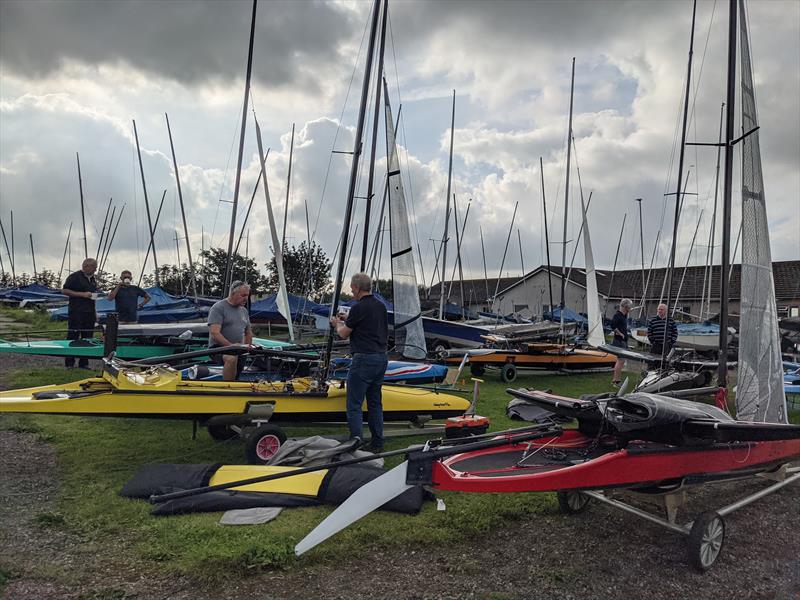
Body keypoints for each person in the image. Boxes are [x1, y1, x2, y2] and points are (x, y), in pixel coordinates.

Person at [330, 272, 388, 453]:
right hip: (381, 358)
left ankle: (356, 442)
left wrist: (336, 324)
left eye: (352, 288)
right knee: (375, 403)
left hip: (364, 359)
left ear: (356, 288)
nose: (351, 291)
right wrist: (348, 320)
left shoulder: (358, 307)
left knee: (354, 404)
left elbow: (343, 334)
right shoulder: (380, 306)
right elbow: (367, 325)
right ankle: (377, 442)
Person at [207, 280, 254, 381]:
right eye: (243, 295)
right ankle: (228, 387)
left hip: (238, 348)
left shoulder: (244, 311)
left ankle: (236, 383)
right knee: (231, 358)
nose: (246, 298)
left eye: (247, 295)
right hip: (218, 348)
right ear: (233, 293)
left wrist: (248, 348)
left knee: (240, 359)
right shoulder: (218, 308)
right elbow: (215, 333)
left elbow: (248, 333)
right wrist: (230, 346)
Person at [61, 257, 99, 369]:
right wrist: (82, 294)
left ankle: (84, 363)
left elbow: (93, 296)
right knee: (73, 335)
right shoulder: (75, 277)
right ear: (86, 266)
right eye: (94, 268)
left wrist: (95, 313)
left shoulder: (92, 280)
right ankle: (69, 363)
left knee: (88, 337)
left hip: (90, 312)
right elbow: (64, 290)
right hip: (76, 311)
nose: (95, 270)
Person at [610, 298, 632, 386]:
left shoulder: (624, 315)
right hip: (619, 341)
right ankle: (616, 381)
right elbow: (613, 326)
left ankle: (616, 380)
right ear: (625, 306)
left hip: (624, 341)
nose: (630, 309)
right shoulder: (617, 315)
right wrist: (620, 334)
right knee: (620, 360)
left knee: (621, 361)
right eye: (629, 307)